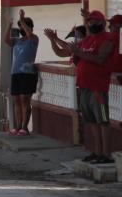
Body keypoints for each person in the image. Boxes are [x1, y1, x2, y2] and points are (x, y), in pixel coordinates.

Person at [44, 10, 114, 164]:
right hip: (84, 87)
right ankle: (97, 152)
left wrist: (79, 53)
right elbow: (65, 51)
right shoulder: (87, 41)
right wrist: (53, 39)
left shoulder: (107, 39)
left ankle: (107, 154)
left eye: (94, 21)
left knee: (103, 120)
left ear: (102, 23)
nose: (91, 24)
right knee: (92, 121)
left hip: (98, 89)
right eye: (89, 22)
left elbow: (100, 59)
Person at [4, 10, 39, 136]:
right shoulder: (17, 41)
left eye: (23, 26)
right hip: (16, 73)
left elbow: (29, 33)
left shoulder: (33, 39)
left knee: (25, 99)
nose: (21, 29)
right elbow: (6, 40)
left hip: (28, 74)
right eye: (20, 26)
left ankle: (25, 127)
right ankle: (18, 127)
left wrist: (22, 20)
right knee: (17, 100)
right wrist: (9, 25)